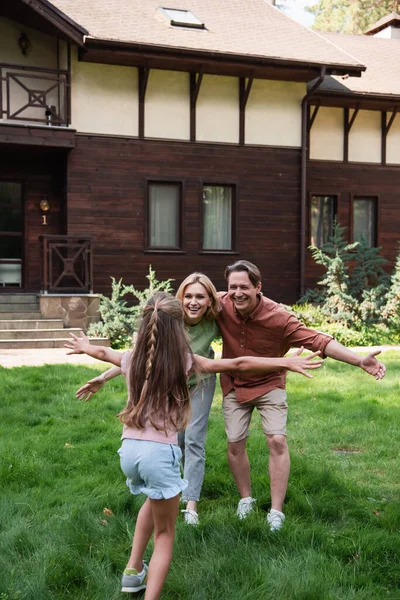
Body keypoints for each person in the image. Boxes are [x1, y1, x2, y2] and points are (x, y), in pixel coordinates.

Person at [65, 292, 323, 599]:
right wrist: (285, 361)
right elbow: (238, 363)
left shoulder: (131, 358)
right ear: (179, 328)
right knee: (165, 533)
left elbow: (104, 352)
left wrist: (84, 347)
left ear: (146, 323)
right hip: (158, 453)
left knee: (154, 497)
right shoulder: (185, 362)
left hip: (129, 451)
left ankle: (133, 572)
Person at [217, 260, 387, 532]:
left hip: (270, 382)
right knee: (235, 443)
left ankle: (276, 511)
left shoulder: (280, 318)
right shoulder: (220, 304)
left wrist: (358, 361)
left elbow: (319, 341)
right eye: (232, 287)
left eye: (244, 287)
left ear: (258, 287)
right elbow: (189, 303)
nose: (237, 293)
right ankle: (246, 499)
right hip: (234, 384)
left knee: (276, 440)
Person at [77, 273, 221, 526]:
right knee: (173, 440)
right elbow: (139, 359)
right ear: (180, 299)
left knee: (194, 439)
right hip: (170, 385)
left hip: (201, 383)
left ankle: (191, 503)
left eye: (200, 296)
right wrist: (104, 377)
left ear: (210, 300)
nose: (193, 302)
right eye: (188, 296)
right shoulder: (167, 319)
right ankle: (166, 490)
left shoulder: (216, 321)